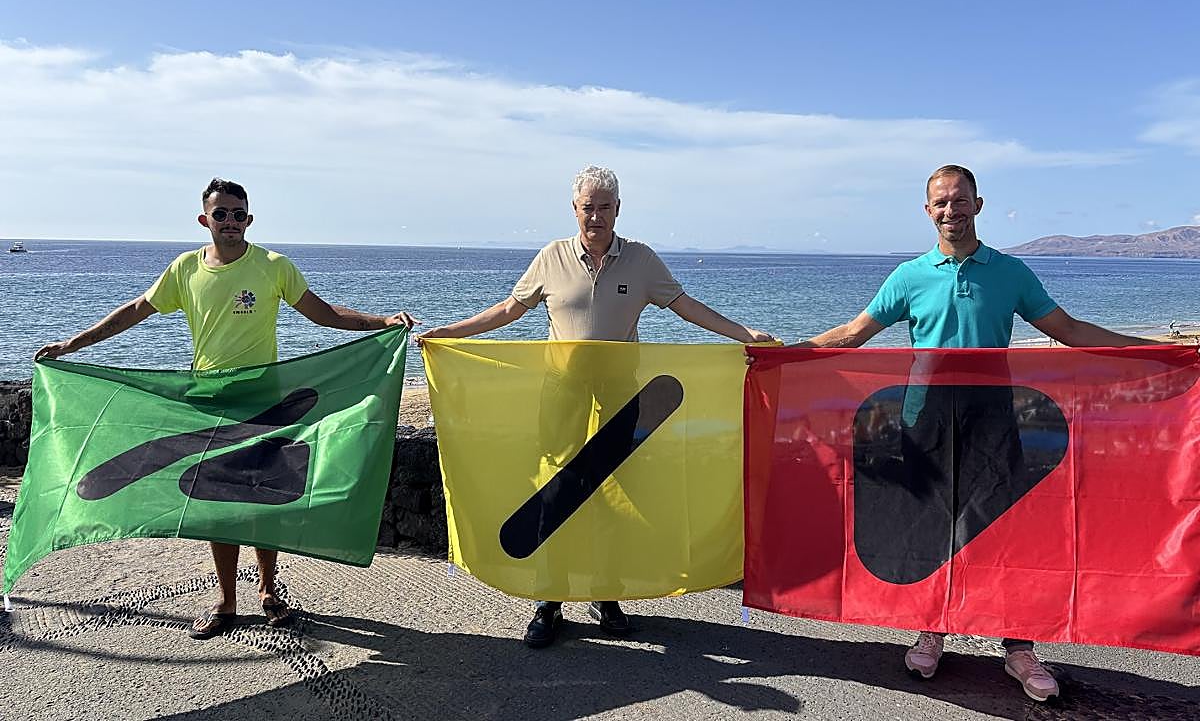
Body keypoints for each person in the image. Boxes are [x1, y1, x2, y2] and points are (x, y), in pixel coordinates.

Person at [798, 164, 1154, 702]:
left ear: (978, 205)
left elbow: (1069, 330)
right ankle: (933, 629)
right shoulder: (910, 276)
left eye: (959, 201)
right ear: (927, 211)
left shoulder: (1010, 273)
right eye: (940, 203)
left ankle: (1018, 647)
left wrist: (1147, 351)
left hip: (993, 420)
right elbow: (853, 334)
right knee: (934, 532)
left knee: (1006, 533)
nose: (950, 211)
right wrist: (782, 356)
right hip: (926, 422)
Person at [35, 178, 418, 640]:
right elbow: (137, 309)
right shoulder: (184, 270)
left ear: (249, 219)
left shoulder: (273, 266)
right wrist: (73, 344)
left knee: (264, 500)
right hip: (210, 404)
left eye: (239, 214)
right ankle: (226, 599)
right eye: (222, 214)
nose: (231, 222)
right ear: (205, 219)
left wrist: (382, 323)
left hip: (267, 404)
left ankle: (270, 592)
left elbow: (323, 315)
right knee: (218, 506)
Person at [417, 165, 775, 648]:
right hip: (561, 395)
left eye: (605, 207)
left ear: (618, 210)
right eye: (588, 207)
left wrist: (744, 335)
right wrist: (449, 333)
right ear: (575, 209)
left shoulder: (642, 261)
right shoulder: (551, 258)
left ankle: (607, 596)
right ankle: (550, 600)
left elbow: (687, 307)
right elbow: (507, 311)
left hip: (621, 398)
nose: (596, 216)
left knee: (612, 496)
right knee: (555, 493)